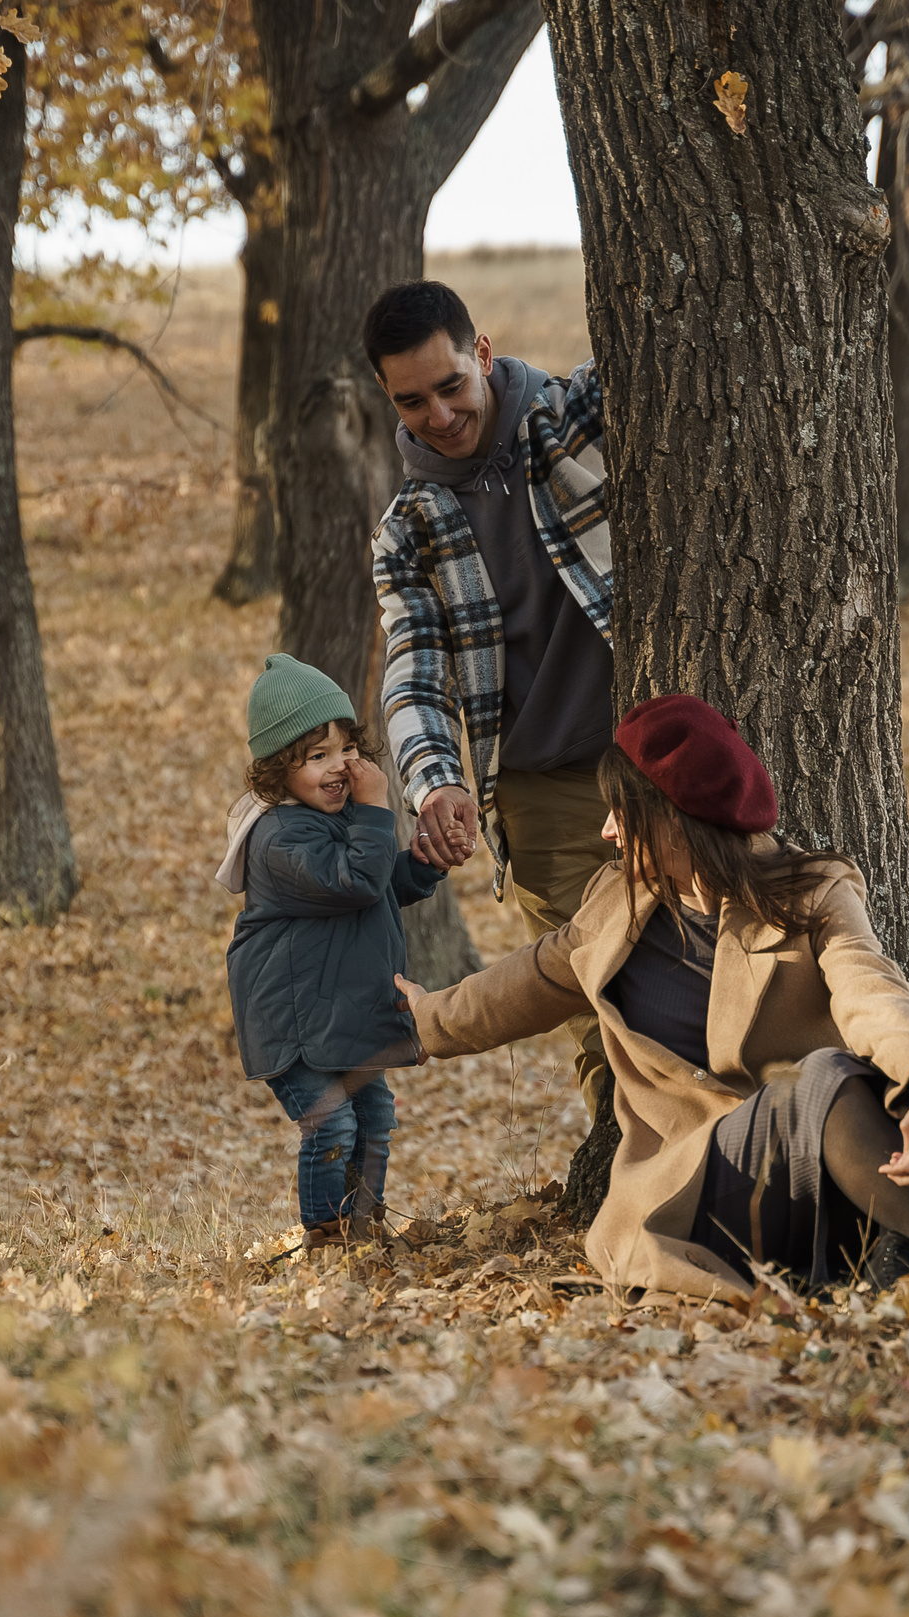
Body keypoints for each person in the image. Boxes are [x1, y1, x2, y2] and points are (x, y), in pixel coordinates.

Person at [394, 695, 909, 1321]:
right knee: (825, 1079)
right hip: (702, 1188)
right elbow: (518, 986)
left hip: (820, 1174)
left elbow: (873, 986)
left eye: (624, 813)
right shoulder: (613, 908)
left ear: (675, 822)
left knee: (886, 1046)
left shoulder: (812, 892)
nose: (608, 832)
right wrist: (427, 1021)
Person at [362, 280, 618, 1123]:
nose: (437, 415)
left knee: (714, 978)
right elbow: (413, 665)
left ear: (481, 353)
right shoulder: (409, 529)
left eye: (450, 386)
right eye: (411, 401)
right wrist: (433, 780)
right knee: (603, 1011)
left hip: (656, 761)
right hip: (543, 792)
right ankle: (643, 1190)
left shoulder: (570, 416)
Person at [219, 655, 444, 1249]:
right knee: (332, 1123)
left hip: (337, 1018)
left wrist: (417, 868)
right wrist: (375, 809)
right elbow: (352, 883)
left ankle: (364, 1231)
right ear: (276, 771)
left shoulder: (333, 821)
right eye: (315, 757)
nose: (338, 768)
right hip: (293, 1022)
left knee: (374, 1121)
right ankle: (327, 1238)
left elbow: (371, 889)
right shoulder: (278, 835)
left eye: (344, 749)